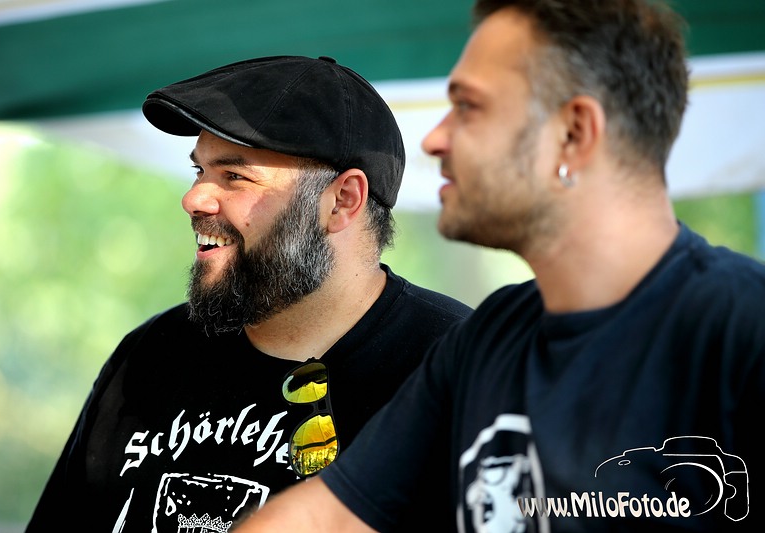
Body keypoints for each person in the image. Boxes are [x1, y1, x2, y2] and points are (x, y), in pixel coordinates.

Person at [234, 1, 765, 532]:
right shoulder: (489, 338)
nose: (434, 139)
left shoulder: (741, 327)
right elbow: (327, 518)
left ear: (573, 133)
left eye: (468, 107)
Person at [25, 55, 472, 532]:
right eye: (199, 171)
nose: (193, 199)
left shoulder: (464, 366)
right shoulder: (151, 357)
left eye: (234, 176)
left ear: (343, 200)